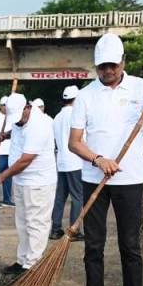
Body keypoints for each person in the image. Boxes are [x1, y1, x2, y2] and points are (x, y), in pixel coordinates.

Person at [67, 33, 143, 286]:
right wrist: (98, 159)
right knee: (93, 245)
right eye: (102, 66)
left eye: (113, 65)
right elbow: (75, 142)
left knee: (130, 246)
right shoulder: (86, 95)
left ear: (123, 62)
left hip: (129, 179)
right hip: (94, 178)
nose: (108, 71)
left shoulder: (141, 88)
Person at [0, 93, 57, 275]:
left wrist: (2, 177)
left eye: (19, 117)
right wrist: (6, 135)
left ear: (27, 107)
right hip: (21, 181)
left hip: (38, 182)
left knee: (36, 224)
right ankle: (22, 260)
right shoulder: (20, 121)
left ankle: (32, 265)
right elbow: (17, 130)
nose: (17, 122)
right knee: (22, 223)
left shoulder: (40, 124)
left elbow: (25, 160)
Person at [51, 85, 84, 240]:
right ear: (76, 99)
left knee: (60, 197)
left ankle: (55, 229)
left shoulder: (57, 117)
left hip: (61, 162)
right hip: (75, 161)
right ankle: (74, 230)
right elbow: (82, 140)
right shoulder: (76, 115)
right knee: (78, 197)